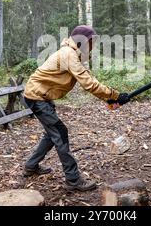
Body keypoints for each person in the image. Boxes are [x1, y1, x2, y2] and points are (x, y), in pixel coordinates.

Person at [22, 25, 130, 191]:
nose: (92, 47)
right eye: (91, 43)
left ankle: (31, 166)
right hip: (37, 97)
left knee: (52, 134)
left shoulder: (72, 54)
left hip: (41, 95)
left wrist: (109, 98)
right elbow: (89, 84)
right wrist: (115, 95)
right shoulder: (69, 55)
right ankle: (73, 180)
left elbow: (88, 80)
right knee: (60, 133)